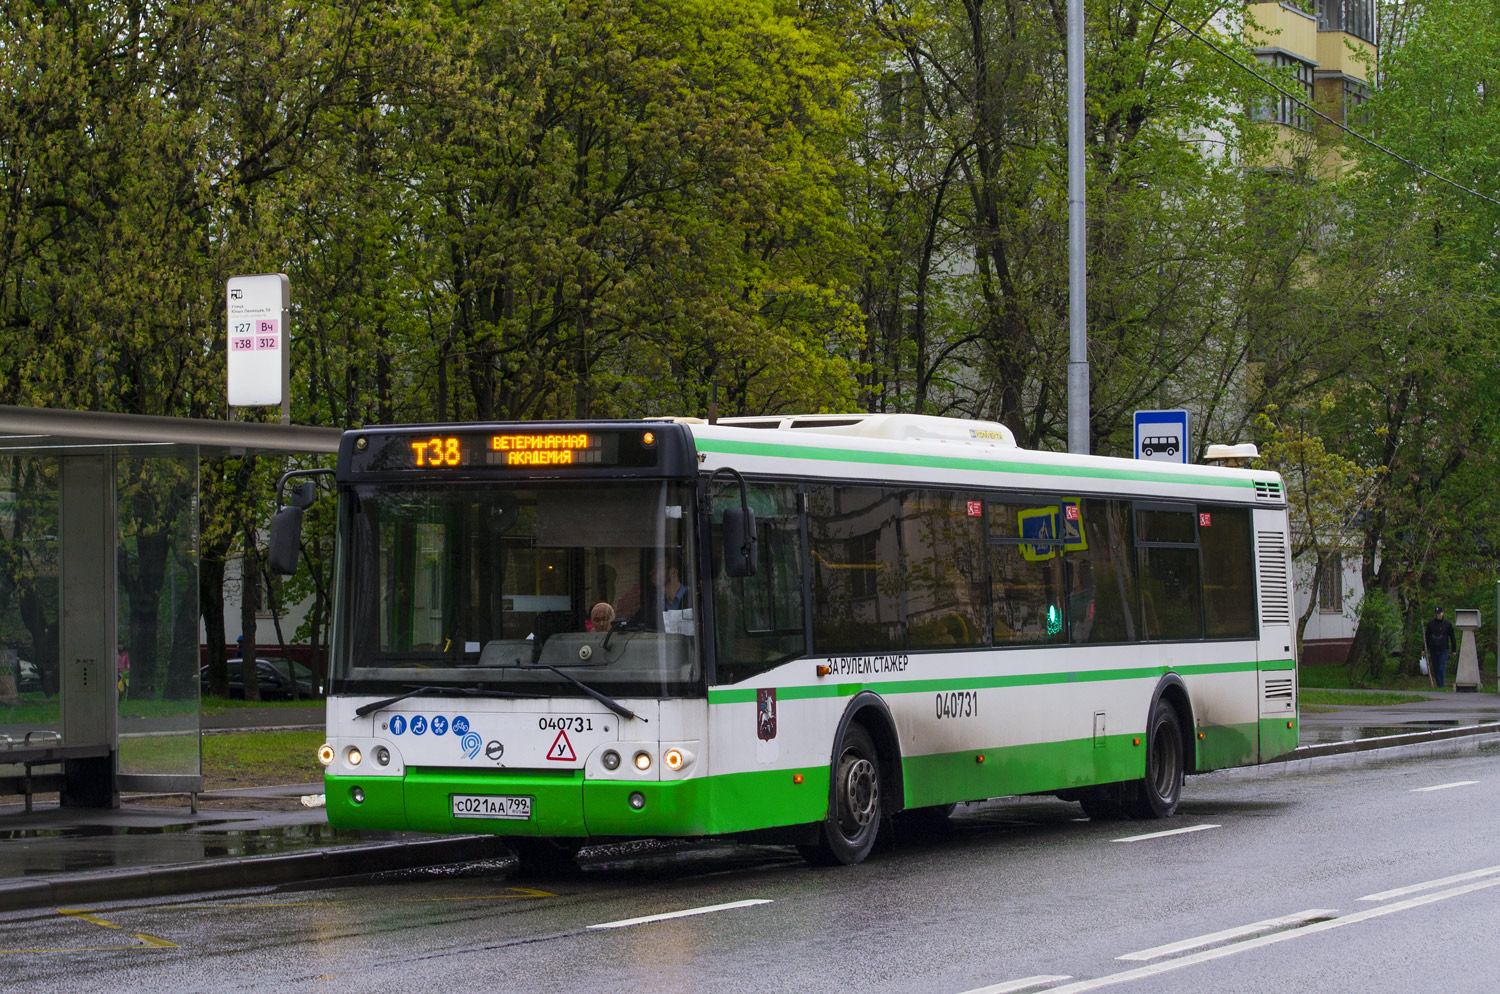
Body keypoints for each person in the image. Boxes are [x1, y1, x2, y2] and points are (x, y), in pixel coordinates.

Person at [1425, 606, 1457, 689]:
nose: (1437, 615)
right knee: (1435, 668)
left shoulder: (1447, 624)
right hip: (1433, 648)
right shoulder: (1431, 624)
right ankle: (1439, 684)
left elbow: (1452, 637)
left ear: (1442, 613)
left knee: (1441, 667)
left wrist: (1454, 649)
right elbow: (1427, 637)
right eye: (1436, 613)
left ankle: (1441, 685)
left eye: (1439, 613)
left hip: (1444, 649)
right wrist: (1425, 648)